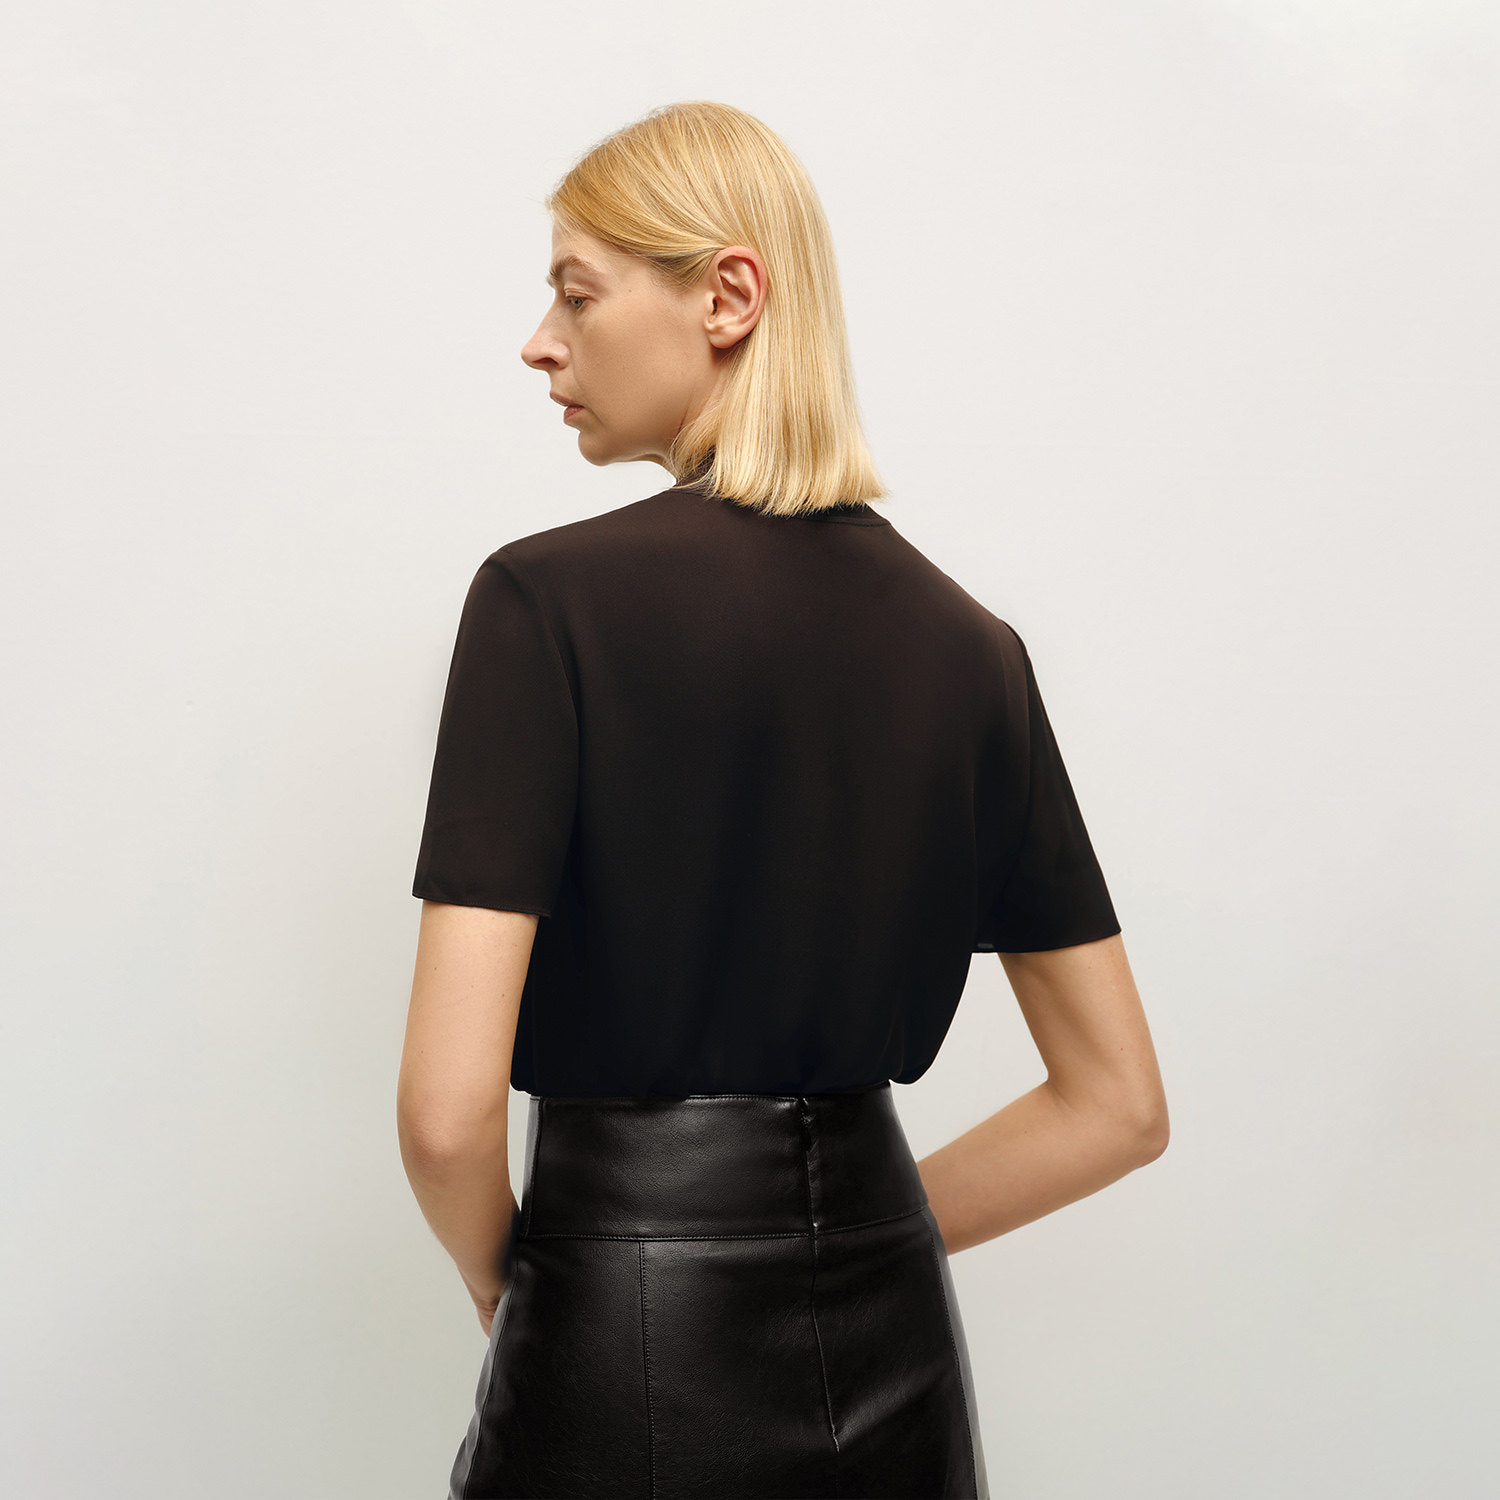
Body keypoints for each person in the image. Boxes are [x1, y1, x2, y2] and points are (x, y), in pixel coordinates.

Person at [397, 100, 1167, 1500]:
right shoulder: (973, 651)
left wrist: (536, 1283)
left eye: (577, 291)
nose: (540, 341)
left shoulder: (543, 605)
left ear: (729, 297)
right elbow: (1116, 1105)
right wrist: (859, 1239)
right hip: (899, 1365)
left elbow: (447, 1116)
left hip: (623, 1353)